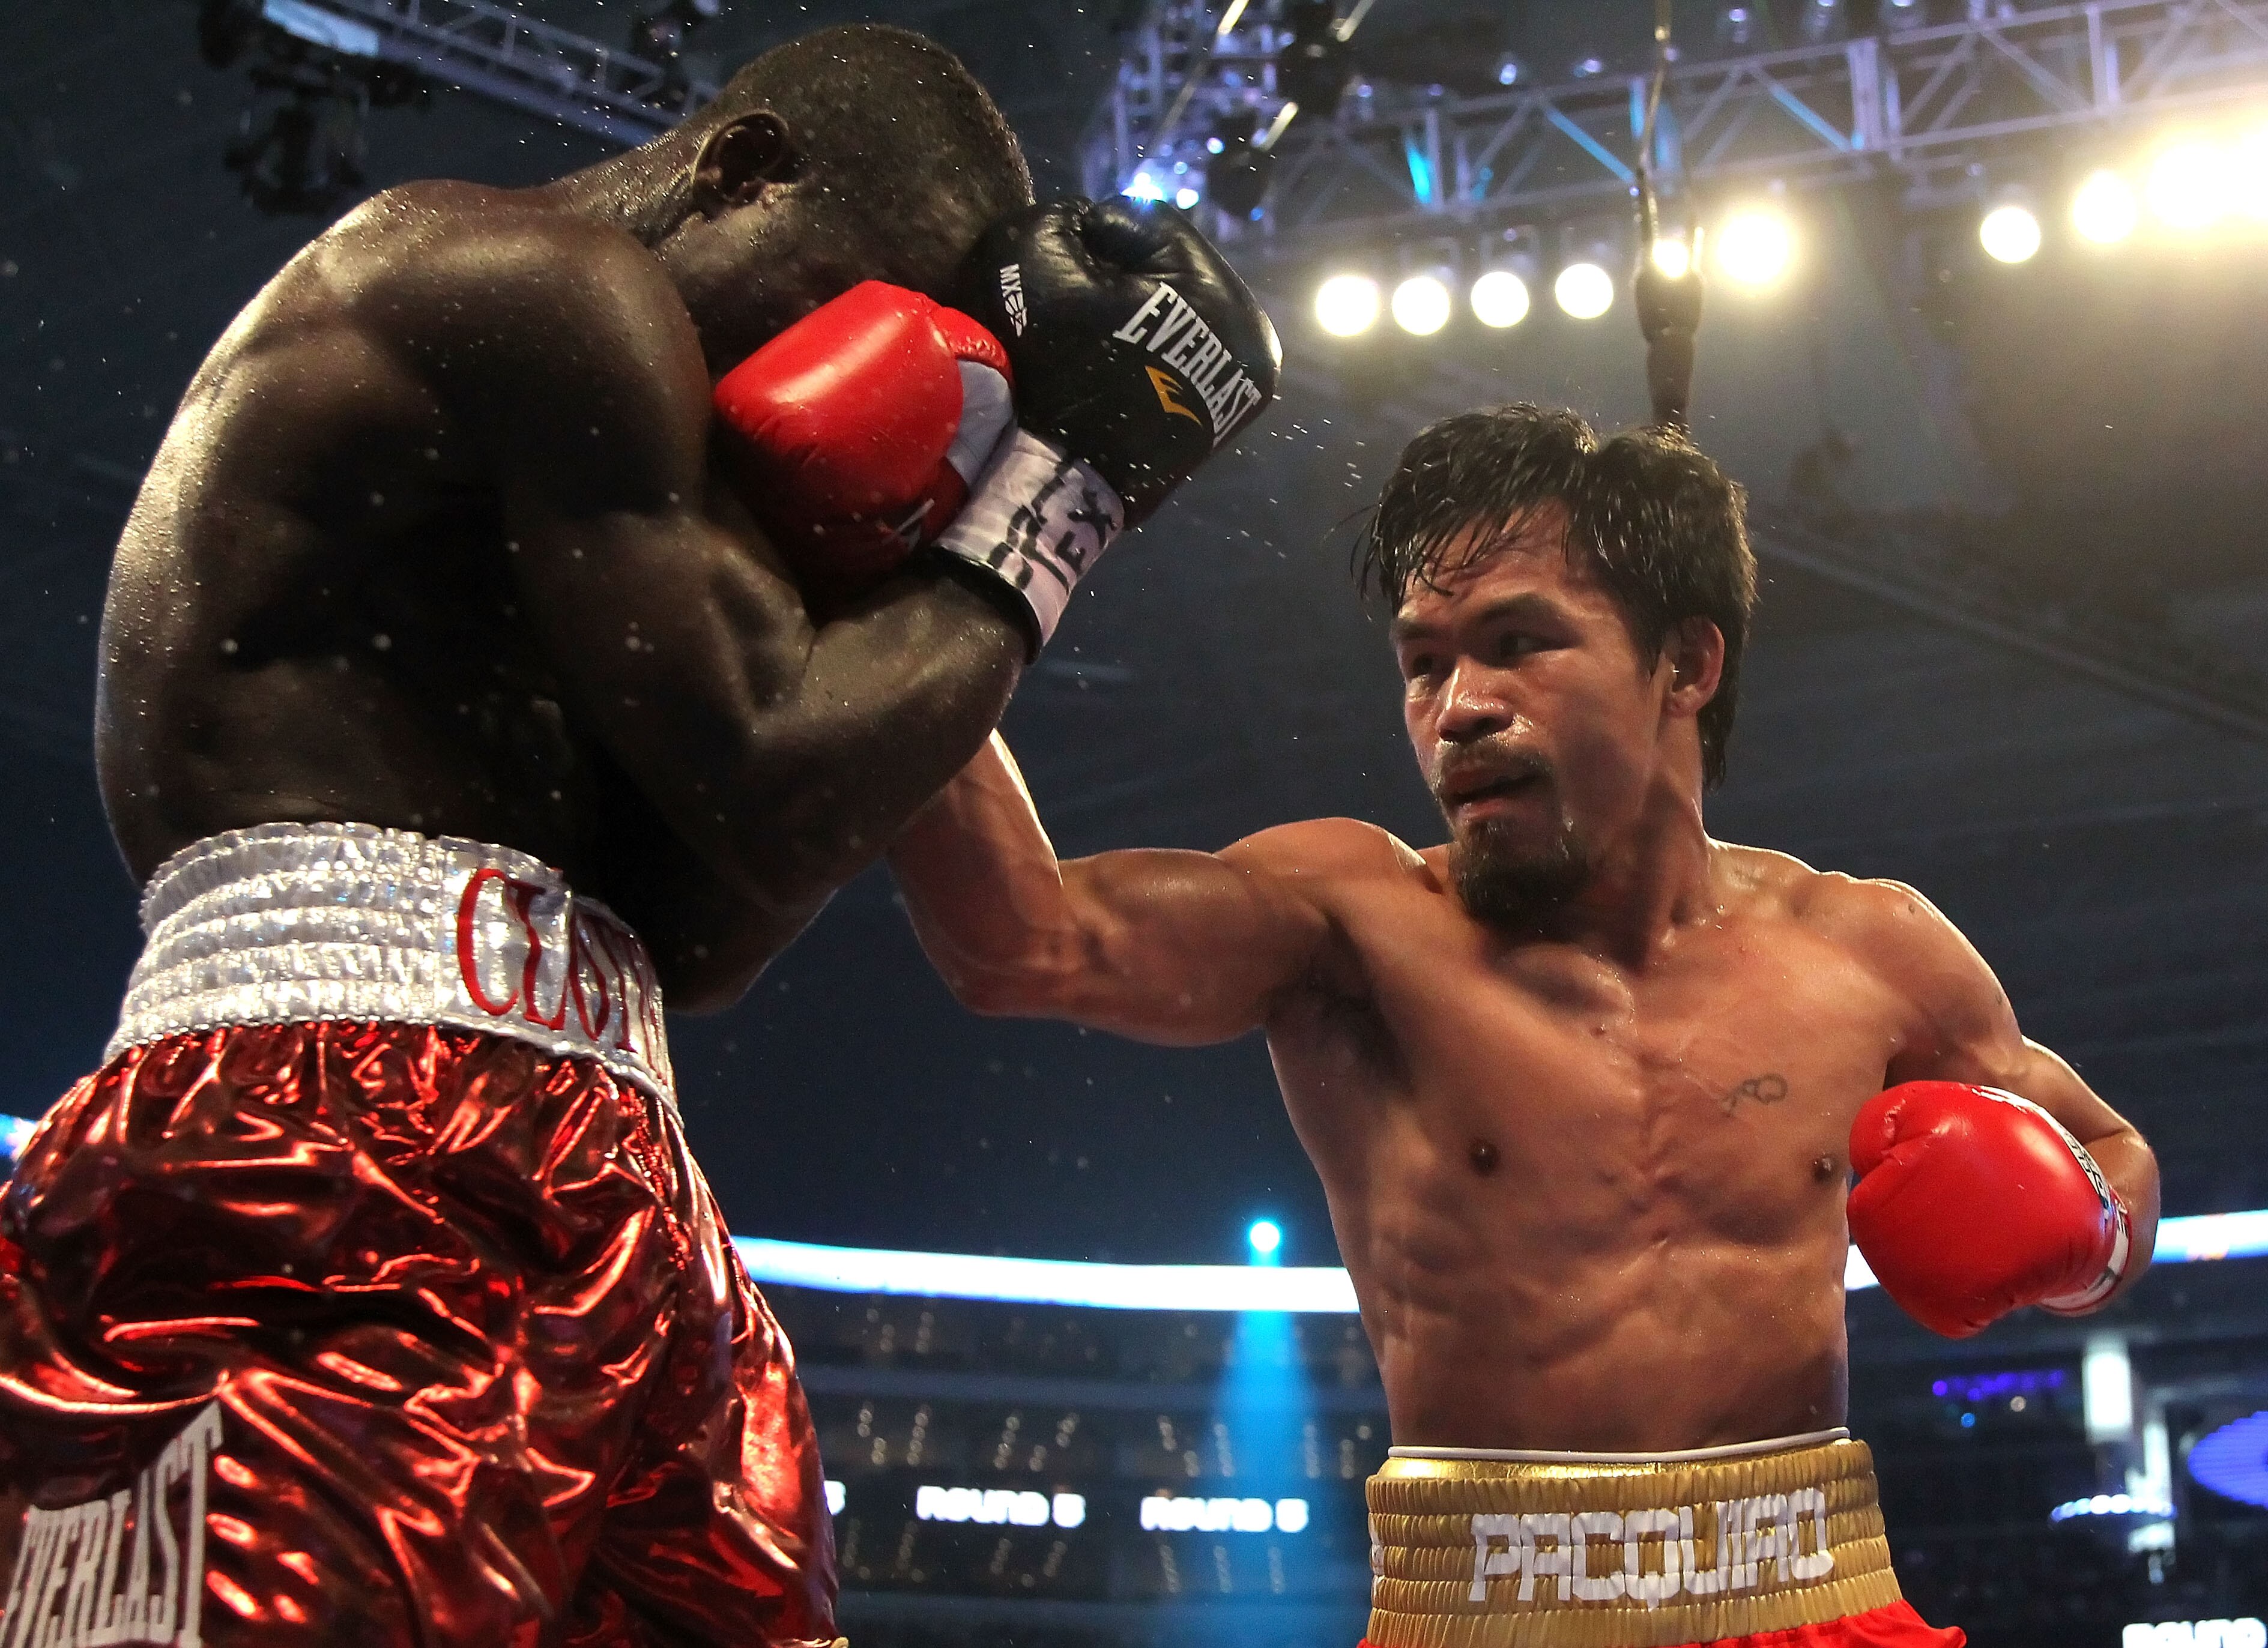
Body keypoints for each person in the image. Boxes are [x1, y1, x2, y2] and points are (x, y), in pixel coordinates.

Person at [0, 22, 1277, 1648]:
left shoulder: (635, 501)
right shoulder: (532, 279)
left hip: (608, 1149)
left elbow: (710, 924)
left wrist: (888, 576)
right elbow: (775, 765)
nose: (873, 373)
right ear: (743, 169)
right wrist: (1065, 490)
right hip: (316, 1132)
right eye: (855, 304)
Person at [887, 406, 2159, 1648]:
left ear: (1687, 663)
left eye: (1518, 642)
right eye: (1425, 661)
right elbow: (1025, 942)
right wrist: (920, 573)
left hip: (1814, 1599)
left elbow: (2110, 1149)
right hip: (1484, 1612)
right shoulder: (1357, 924)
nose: (1459, 707)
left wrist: (2084, 1238)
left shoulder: (1867, 946)